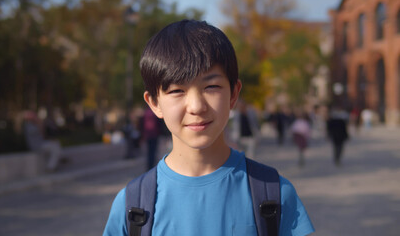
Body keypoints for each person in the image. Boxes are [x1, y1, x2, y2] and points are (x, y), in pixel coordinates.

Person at [103, 20, 314, 236]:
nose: (196, 106)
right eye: (177, 90)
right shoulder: (132, 207)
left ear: (233, 94)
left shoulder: (274, 194)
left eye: (211, 87)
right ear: (154, 103)